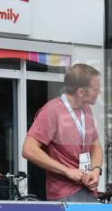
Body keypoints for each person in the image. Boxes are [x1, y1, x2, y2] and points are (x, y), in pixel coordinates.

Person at [22, 63, 102, 202]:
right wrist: (67, 171)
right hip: (64, 194)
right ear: (81, 92)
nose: (99, 92)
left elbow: (96, 146)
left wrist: (96, 170)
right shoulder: (51, 111)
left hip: (88, 190)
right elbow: (28, 150)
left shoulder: (86, 109)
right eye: (95, 89)